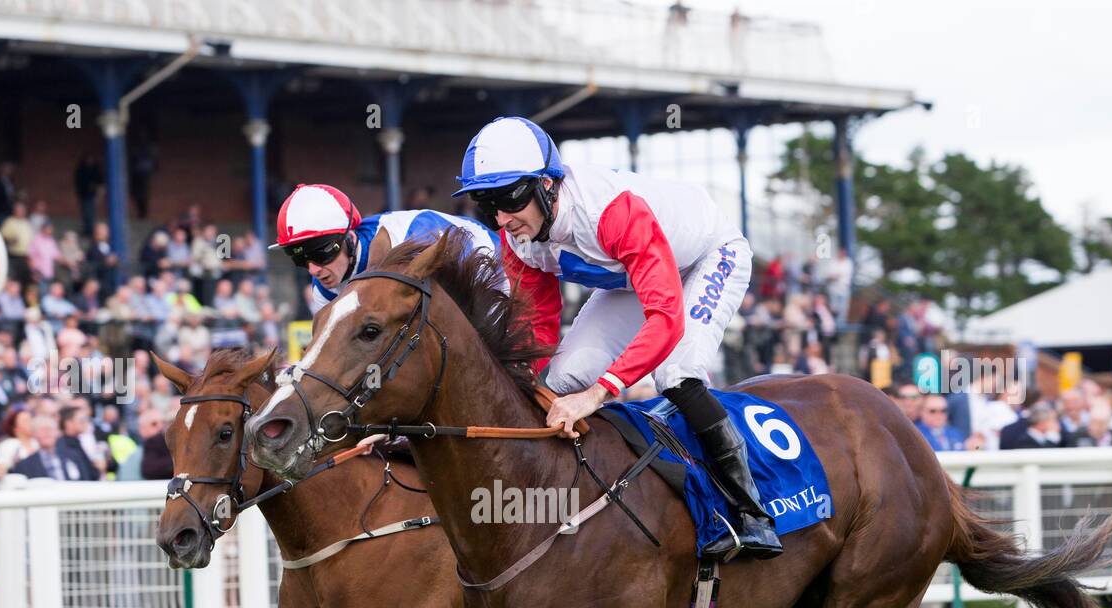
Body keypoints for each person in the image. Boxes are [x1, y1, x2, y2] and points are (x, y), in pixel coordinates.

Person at [452, 115, 779, 557]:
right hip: (634, 279)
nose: (503, 219)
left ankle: (751, 514)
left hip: (706, 256)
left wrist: (600, 393)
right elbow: (536, 327)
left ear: (547, 186)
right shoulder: (518, 238)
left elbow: (665, 318)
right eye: (487, 205)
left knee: (676, 373)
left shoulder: (608, 212)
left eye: (511, 200)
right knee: (560, 380)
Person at [269, 183, 499, 318]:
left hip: (494, 270)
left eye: (320, 255)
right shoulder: (324, 290)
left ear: (349, 238)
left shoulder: (411, 238)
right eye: (301, 260)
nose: (313, 270)